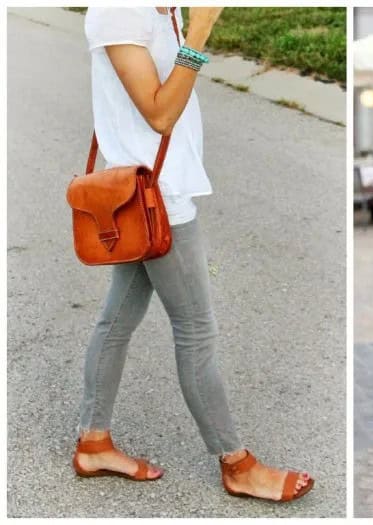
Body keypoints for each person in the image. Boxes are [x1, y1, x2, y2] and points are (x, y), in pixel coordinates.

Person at [72, 7, 313, 503]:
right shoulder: (119, 11)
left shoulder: (162, 8)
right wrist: (200, 31)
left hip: (146, 193)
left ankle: (94, 442)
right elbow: (160, 114)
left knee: (117, 320)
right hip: (157, 198)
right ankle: (236, 463)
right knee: (195, 329)